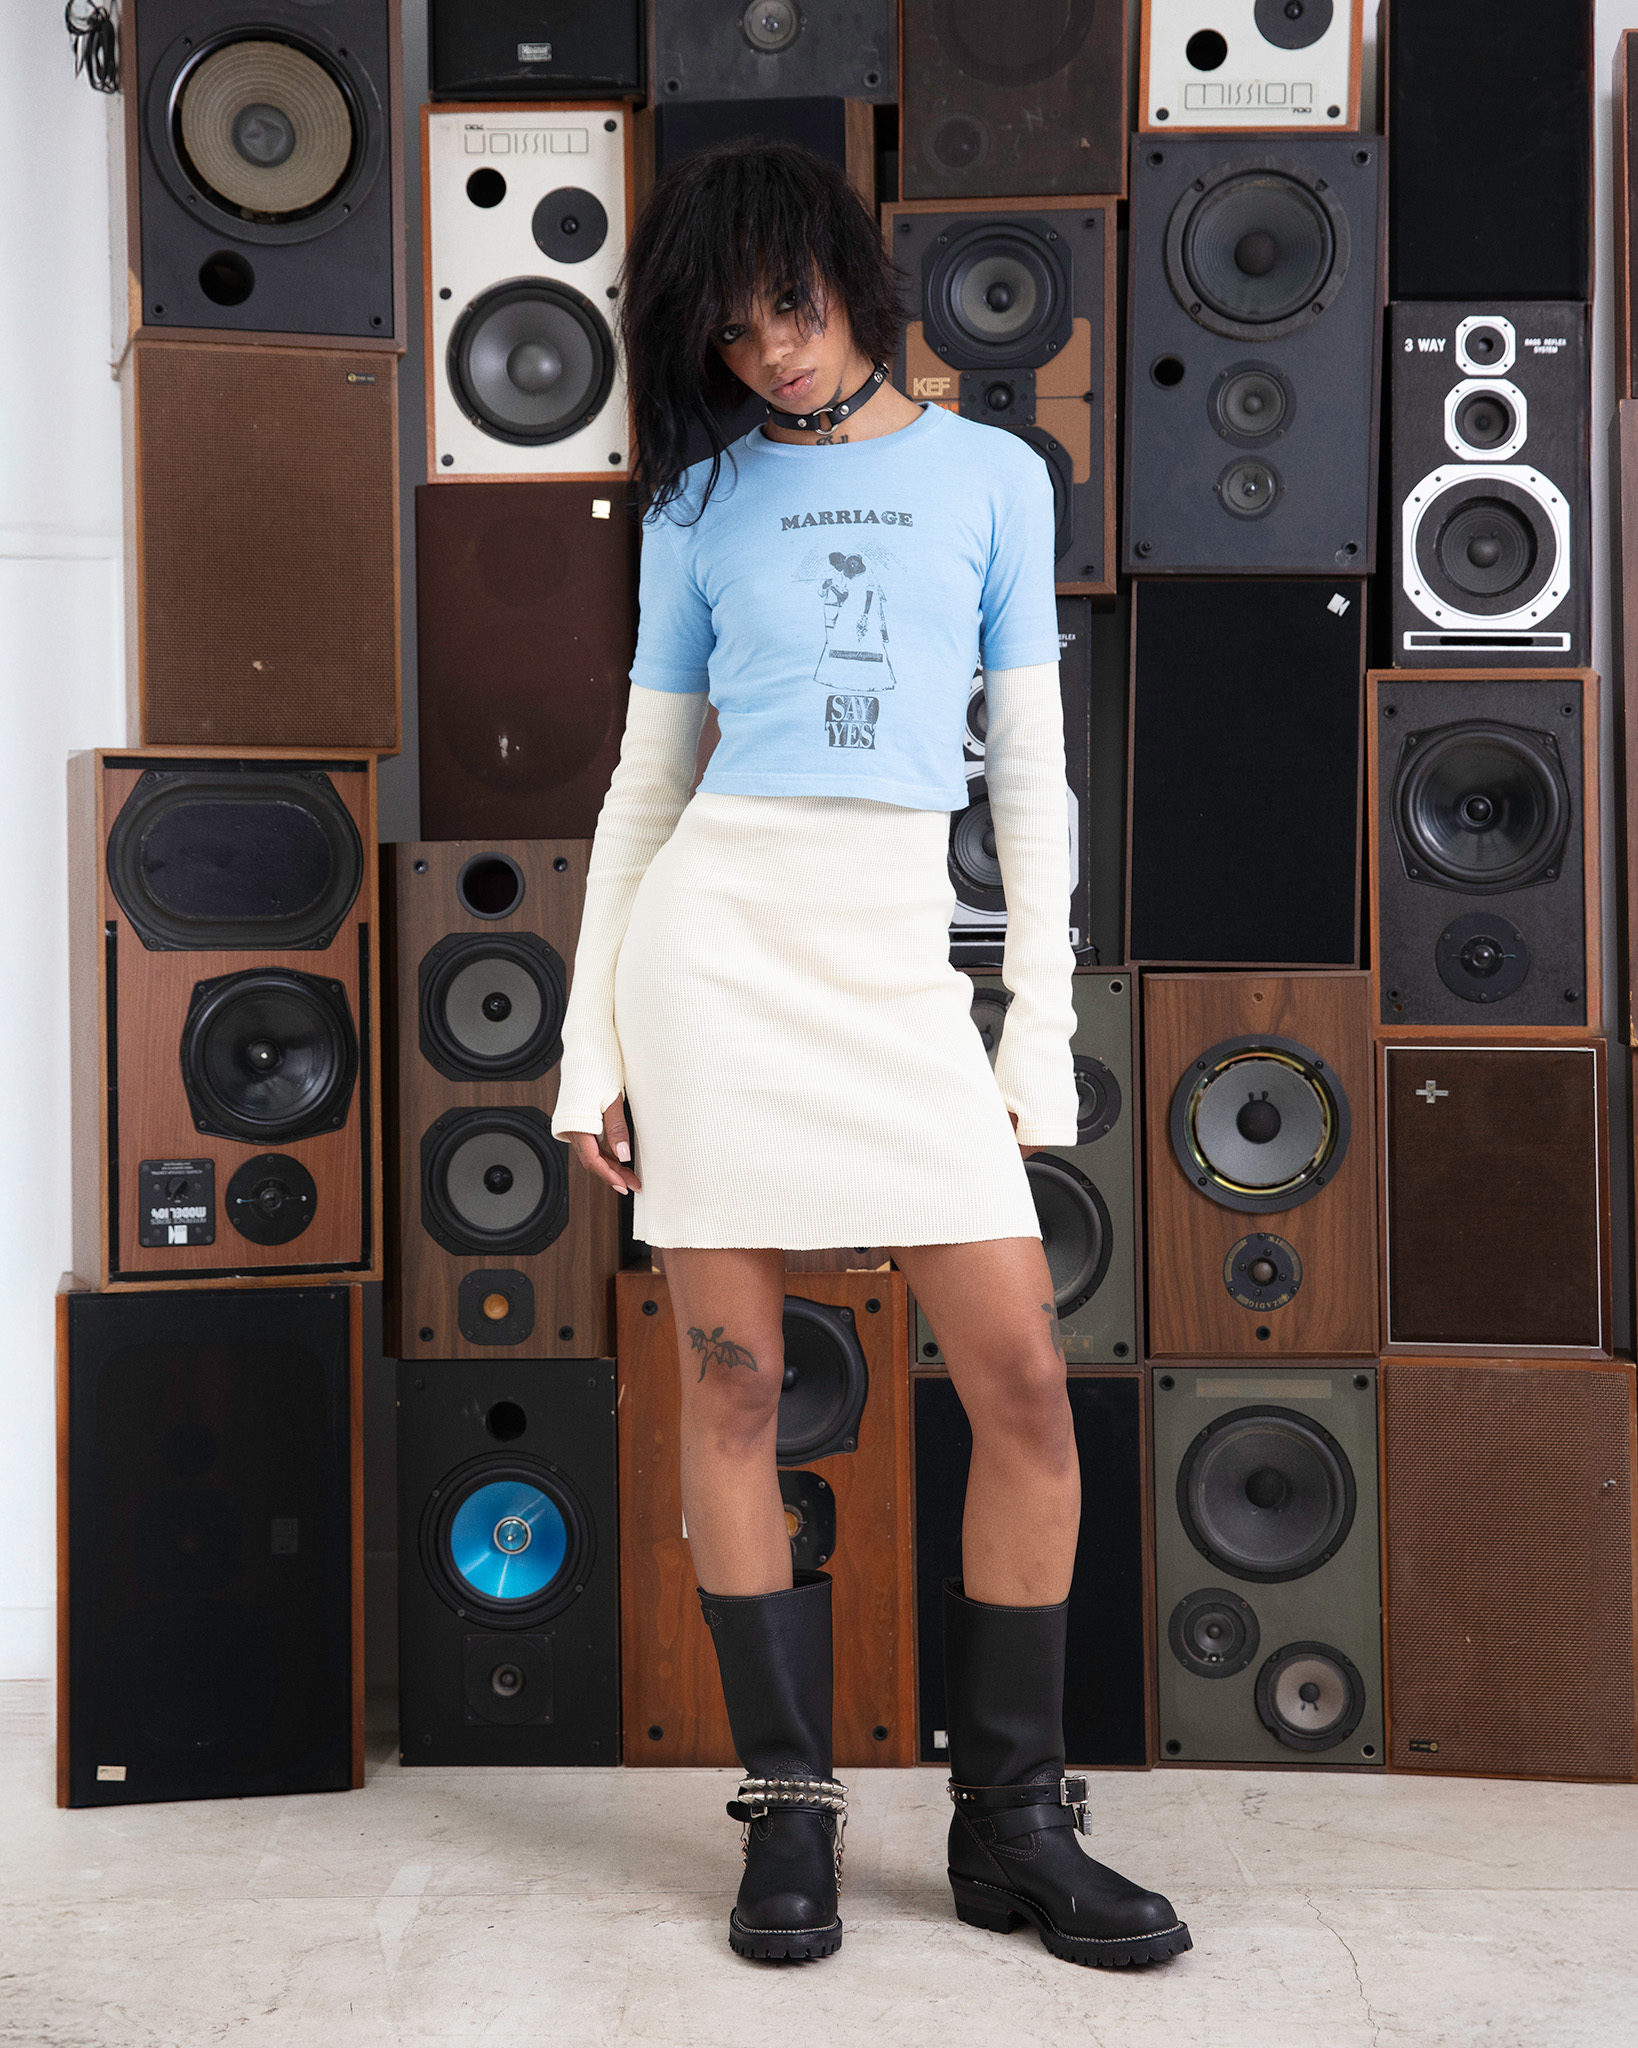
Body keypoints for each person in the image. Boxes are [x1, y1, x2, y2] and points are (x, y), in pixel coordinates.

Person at [549, 139, 1190, 1972]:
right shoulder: (697, 504)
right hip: (714, 963)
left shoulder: (992, 477)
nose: (770, 348)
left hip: (896, 971)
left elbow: (1033, 784)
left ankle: (1013, 1826)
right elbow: (645, 789)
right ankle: (788, 1812)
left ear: (851, 277)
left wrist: (1034, 1027)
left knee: (1023, 1390)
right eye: (730, 330)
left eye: (791, 305)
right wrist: (590, 1044)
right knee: (737, 1390)